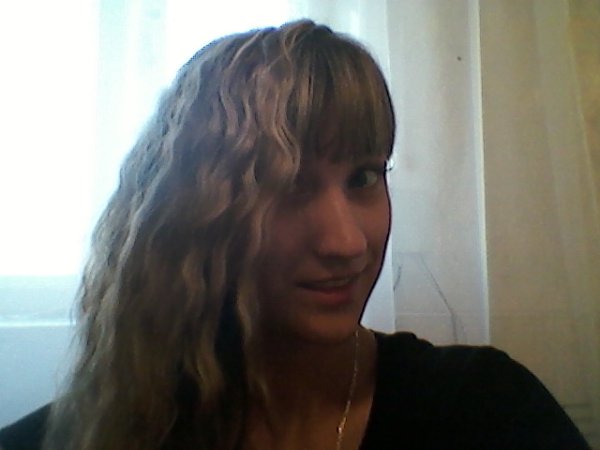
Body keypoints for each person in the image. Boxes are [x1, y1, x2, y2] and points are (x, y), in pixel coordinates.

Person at [0, 20, 591, 450]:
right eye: (288, 186)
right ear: (190, 215)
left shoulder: (484, 410)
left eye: (364, 177)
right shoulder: (84, 435)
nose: (346, 243)